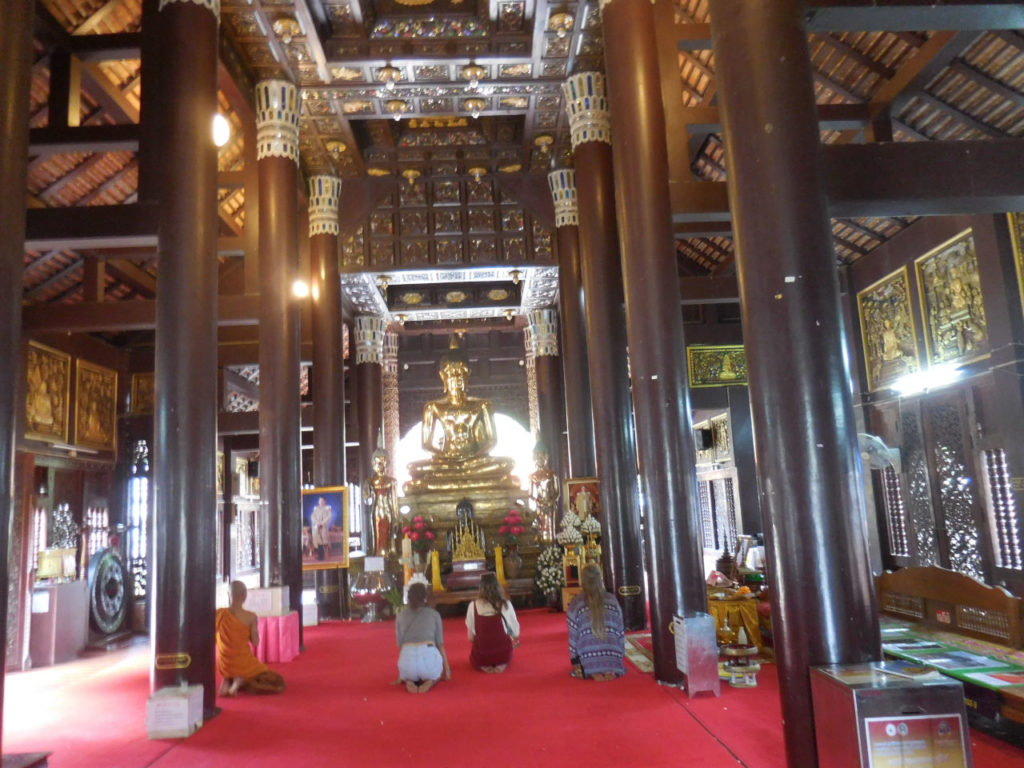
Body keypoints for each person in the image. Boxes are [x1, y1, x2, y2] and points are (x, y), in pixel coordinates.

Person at [404, 336, 518, 492]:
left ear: (468, 375)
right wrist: (447, 457)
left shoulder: (482, 405)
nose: (456, 379)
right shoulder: (433, 407)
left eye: (461, 374)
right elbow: (426, 444)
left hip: (475, 462)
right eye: (451, 375)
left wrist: (472, 457)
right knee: (413, 468)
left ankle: (463, 471)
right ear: (443, 377)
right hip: (447, 462)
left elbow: (491, 441)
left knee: (507, 463)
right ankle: (462, 473)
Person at [215, 581, 286, 695]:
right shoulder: (250, 617)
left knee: (230, 665)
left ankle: (228, 680)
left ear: (229, 595)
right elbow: (255, 642)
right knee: (276, 680)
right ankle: (239, 681)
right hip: (243, 662)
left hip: (224, 663)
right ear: (244, 595)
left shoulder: (219, 614)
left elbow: (214, 638)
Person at [567, 564, 625, 681]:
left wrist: (575, 661)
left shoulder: (575, 603)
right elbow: (621, 633)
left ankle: (592, 671)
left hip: (587, 659)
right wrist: (619, 655)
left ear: (582, 581)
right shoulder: (612, 600)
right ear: (600, 579)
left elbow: (573, 638)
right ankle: (609, 668)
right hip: (613, 657)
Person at [395, 582, 450, 693]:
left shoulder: (400, 616)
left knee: (409, 672)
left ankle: (409, 681)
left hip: (407, 662)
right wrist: (447, 670)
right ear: (425, 597)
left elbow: (400, 646)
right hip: (428, 659)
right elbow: (440, 644)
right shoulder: (434, 614)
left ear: (408, 596)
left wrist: (401, 674)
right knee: (435, 674)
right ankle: (430, 682)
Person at [467, 572, 520, 673]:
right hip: (503, 655)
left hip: (482, 657)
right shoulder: (506, 605)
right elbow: (515, 633)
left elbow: (470, 638)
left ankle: (485, 663)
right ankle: (501, 663)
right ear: (498, 586)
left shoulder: (472, 606)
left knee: (478, 655)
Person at [528, 447, 559, 541]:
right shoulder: (532, 476)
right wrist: (538, 501)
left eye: (542, 457)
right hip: (540, 505)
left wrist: (551, 501)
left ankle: (552, 545)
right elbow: (530, 494)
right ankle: (542, 546)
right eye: (538, 458)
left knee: (551, 527)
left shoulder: (552, 474)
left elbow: (557, 492)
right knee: (541, 527)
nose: (540, 460)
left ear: (546, 458)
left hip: (550, 504)